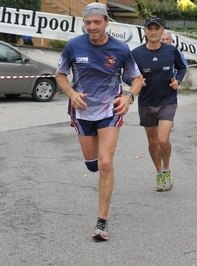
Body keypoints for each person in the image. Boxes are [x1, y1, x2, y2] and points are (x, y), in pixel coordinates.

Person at [55, 2, 144, 241]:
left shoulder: (120, 49)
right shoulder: (74, 46)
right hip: (82, 112)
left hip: (109, 110)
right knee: (92, 165)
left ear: (106, 22)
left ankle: (102, 221)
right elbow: (60, 75)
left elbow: (137, 79)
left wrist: (128, 96)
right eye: (88, 22)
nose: (92, 27)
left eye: (97, 22)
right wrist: (72, 94)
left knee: (105, 163)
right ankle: (94, 168)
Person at [131, 17, 187, 192]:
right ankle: (158, 172)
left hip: (167, 101)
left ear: (162, 31)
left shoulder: (171, 51)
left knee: (163, 140)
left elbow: (182, 68)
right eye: (150, 28)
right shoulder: (137, 53)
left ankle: (167, 169)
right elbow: (126, 74)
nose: (153, 31)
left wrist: (177, 80)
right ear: (145, 32)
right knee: (153, 142)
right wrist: (136, 81)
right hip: (146, 102)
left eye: (157, 28)